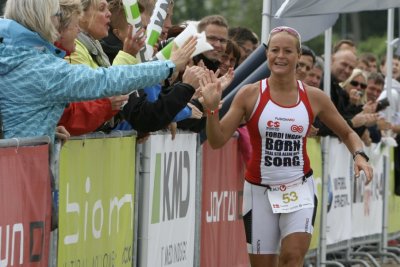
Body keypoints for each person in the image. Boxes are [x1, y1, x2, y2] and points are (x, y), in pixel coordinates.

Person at [200, 26, 373, 267]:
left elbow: (347, 132)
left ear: (298, 56)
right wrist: (212, 109)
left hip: (298, 188)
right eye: (274, 50)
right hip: (259, 191)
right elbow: (217, 140)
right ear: (267, 54)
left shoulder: (315, 97)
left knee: (292, 257)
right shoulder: (249, 94)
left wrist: (360, 155)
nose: (280, 56)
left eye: (287, 51)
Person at [0, 0, 196, 141]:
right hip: (23, 179)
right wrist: (168, 66)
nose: (63, 24)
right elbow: (107, 80)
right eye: (58, 16)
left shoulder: (13, 53)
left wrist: (43, 133)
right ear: (45, 18)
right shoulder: (39, 68)